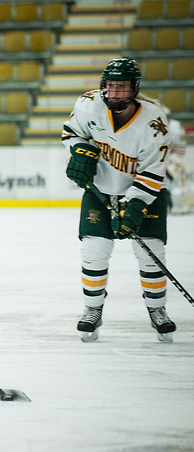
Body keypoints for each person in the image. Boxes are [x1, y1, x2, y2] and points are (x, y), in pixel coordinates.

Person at [62, 58, 175, 342]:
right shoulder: (88, 105)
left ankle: (157, 309)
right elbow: (71, 132)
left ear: (134, 89)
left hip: (144, 194)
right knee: (94, 250)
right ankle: (92, 308)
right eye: (111, 86)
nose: (115, 93)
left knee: (151, 253)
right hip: (101, 190)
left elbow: (152, 171)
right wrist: (79, 150)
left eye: (122, 87)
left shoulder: (154, 123)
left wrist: (135, 206)